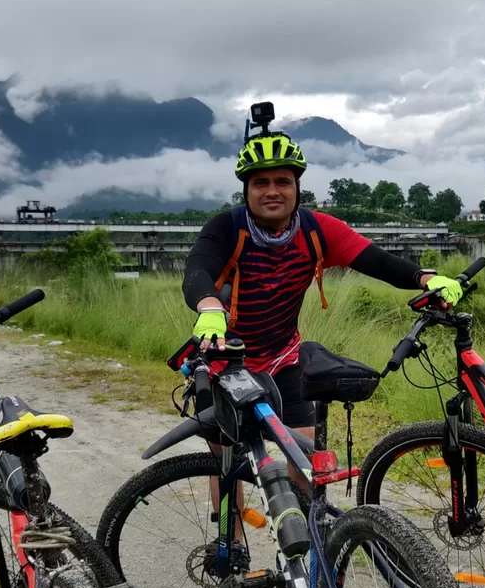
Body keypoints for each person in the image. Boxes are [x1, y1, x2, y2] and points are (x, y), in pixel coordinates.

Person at [183, 122, 463, 443]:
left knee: (304, 461)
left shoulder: (317, 231)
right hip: (225, 360)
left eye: (283, 182)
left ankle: (298, 496)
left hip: (284, 360)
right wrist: (209, 308)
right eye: (260, 182)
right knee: (228, 469)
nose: (272, 190)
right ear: (246, 190)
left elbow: (378, 261)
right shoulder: (226, 228)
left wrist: (426, 278)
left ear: (296, 188)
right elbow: (197, 269)